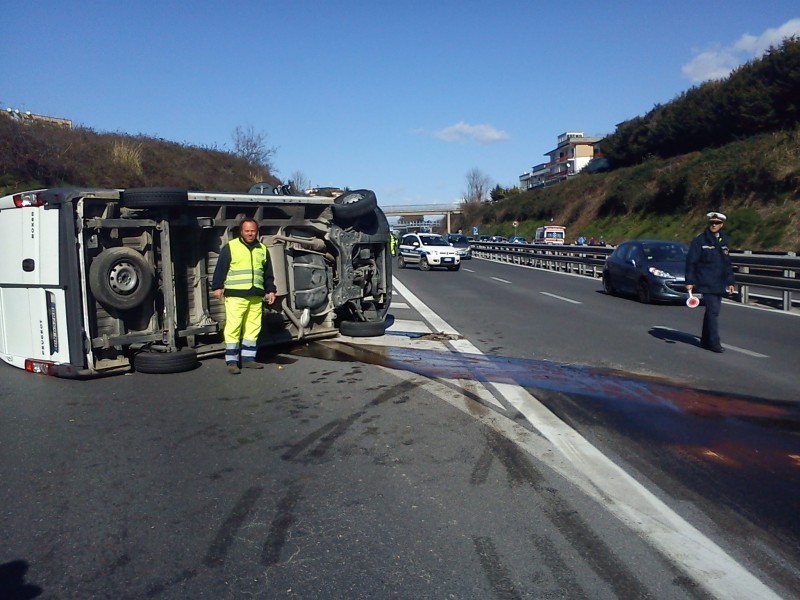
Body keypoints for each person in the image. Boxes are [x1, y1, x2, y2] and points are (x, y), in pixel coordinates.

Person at [211, 218, 277, 373]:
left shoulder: (262, 249)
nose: (250, 234)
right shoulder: (231, 247)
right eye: (247, 231)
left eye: (253, 231)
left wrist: (271, 290)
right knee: (234, 327)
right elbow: (221, 268)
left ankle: (248, 359)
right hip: (236, 295)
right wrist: (217, 287)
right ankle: (232, 361)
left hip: (256, 295)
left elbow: (268, 273)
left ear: (257, 231)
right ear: (241, 231)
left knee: (253, 328)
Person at [685, 211, 736, 353]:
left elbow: (727, 263)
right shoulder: (700, 241)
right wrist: (689, 280)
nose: (714, 225)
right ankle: (714, 343)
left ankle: (705, 340)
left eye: (717, 223)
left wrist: (730, 282)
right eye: (712, 223)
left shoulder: (724, 240)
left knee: (711, 312)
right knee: (713, 311)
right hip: (705, 281)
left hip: (719, 282)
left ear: (722, 225)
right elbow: (691, 262)